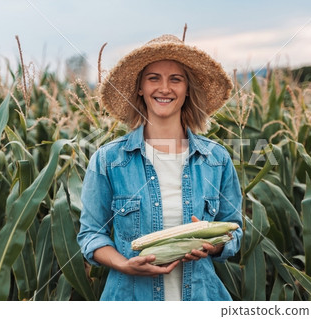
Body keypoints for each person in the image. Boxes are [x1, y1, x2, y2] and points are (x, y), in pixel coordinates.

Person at [77, 34, 242, 301]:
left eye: (175, 79)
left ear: (187, 89)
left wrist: (213, 245)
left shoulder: (217, 159)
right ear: (140, 88)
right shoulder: (108, 160)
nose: (164, 88)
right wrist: (124, 264)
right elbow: (91, 235)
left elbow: (234, 228)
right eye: (153, 78)